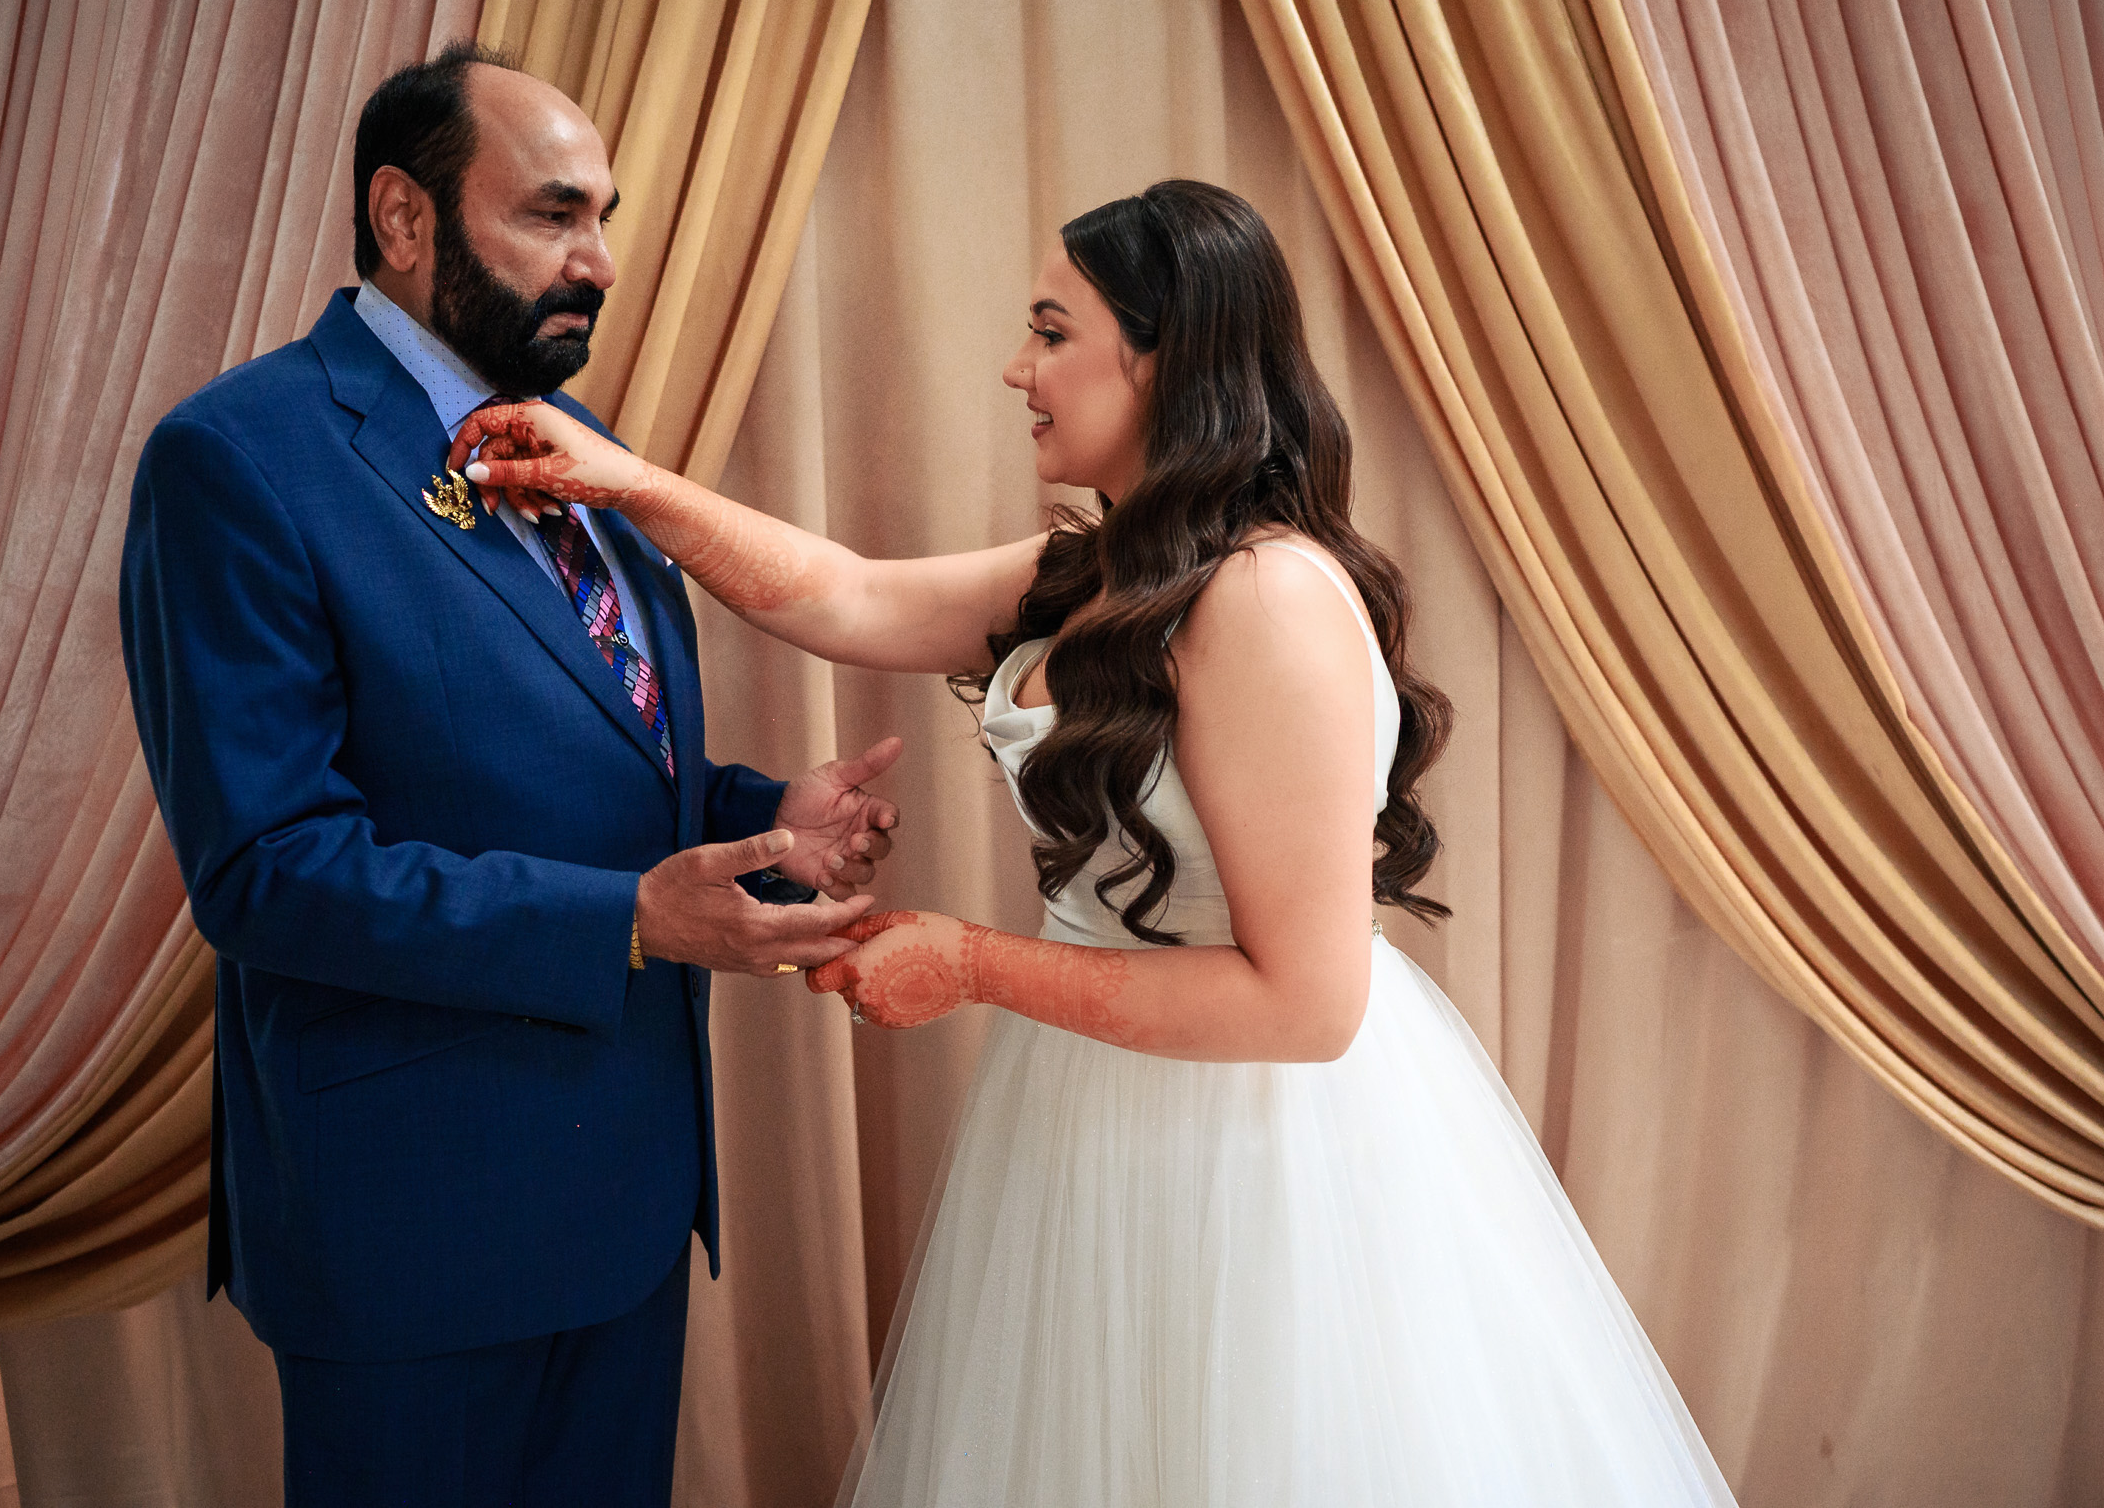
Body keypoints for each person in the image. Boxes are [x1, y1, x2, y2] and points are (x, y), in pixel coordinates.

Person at [458, 179, 1737, 1504]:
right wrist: (624, 484)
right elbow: (848, 594)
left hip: (1257, 1152)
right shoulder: (1099, 563)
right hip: (1087, 1107)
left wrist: (966, 962)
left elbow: (1308, 1005)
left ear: (1163, 355)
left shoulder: (1268, 600)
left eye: (1052, 331)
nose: (1020, 369)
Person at [118, 42, 902, 1507]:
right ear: (404, 221)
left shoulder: (583, 449)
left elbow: (590, 753)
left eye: (604, 217)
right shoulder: (236, 460)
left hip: (624, 1207)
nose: (598, 260)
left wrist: (758, 816)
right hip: (413, 1231)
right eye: (553, 215)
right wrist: (633, 921)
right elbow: (266, 870)